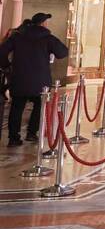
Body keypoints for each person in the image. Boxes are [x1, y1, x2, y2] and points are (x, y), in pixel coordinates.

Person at [0, 14, 69, 147]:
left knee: (17, 107)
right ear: (43, 23)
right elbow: (62, 52)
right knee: (39, 106)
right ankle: (32, 133)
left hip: (19, 78)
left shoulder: (17, 36)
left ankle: (13, 138)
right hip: (40, 81)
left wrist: (7, 66)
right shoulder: (47, 38)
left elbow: (2, 52)